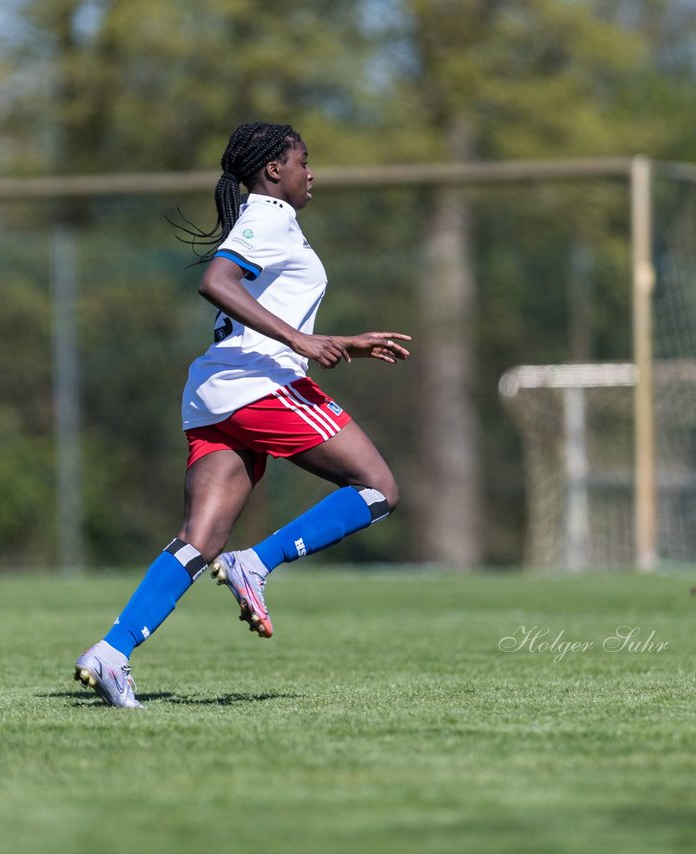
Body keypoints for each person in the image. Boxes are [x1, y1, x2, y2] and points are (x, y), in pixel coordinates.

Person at [73, 122, 411, 708]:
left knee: (197, 540)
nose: (312, 172)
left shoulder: (272, 223)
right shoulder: (269, 216)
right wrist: (302, 345)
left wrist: (334, 341)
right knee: (378, 488)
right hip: (260, 385)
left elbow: (264, 304)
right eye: (304, 161)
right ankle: (256, 563)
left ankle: (110, 654)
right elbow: (217, 282)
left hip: (215, 392)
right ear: (273, 171)